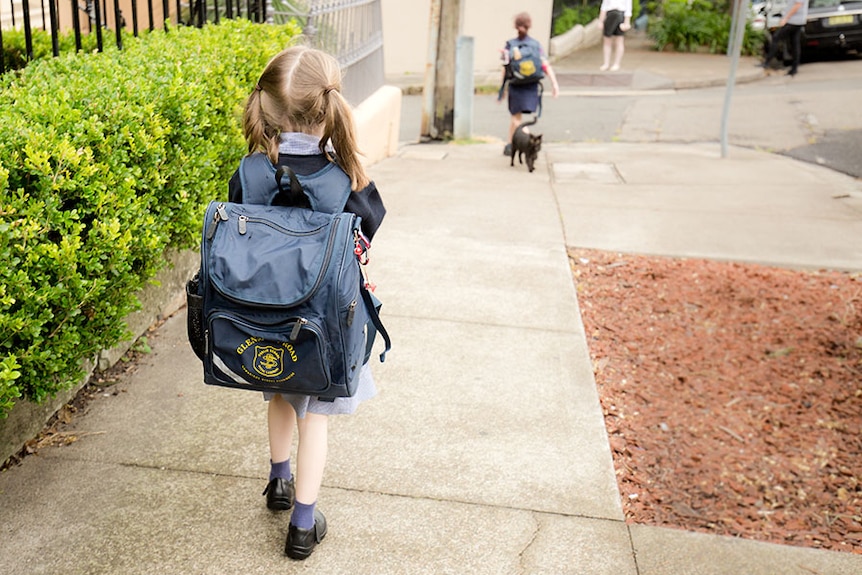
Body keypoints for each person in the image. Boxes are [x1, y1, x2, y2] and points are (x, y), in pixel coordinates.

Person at [228, 45, 386, 560]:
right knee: (315, 414)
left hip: (262, 320)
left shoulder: (249, 172)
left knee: (277, 390)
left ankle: (278, 481)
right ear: (330, 108)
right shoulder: (346, 180)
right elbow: (370, 229)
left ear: (267, 107)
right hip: (325, 325)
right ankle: (301, 522)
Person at [498, 11, 559, 156]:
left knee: (515, 117)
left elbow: (504, 69)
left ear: (515, 26)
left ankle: (524, 139)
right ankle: (511, 143)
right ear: (529, 26)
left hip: (516, 84)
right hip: (532, 85)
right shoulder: (536, 45)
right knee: (517, 118)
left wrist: (502, 89)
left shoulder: (510, 45)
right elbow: (545, 65)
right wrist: (554, 84)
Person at [761, 0, 809, 76]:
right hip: (797, 20)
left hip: (793, 21)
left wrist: (786, 18)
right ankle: (794, 68)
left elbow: (798, 5)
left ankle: (767, 62)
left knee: (776, 37)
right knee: (794, 43)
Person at [599, 0, 633, 72]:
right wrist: (601, 21)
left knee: (619, 40)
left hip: (621, 15)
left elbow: (628, 8)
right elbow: (604, 6)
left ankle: (616, 63)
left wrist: (627, 22)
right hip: (610, 14)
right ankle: (606, 63)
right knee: (607, 40)